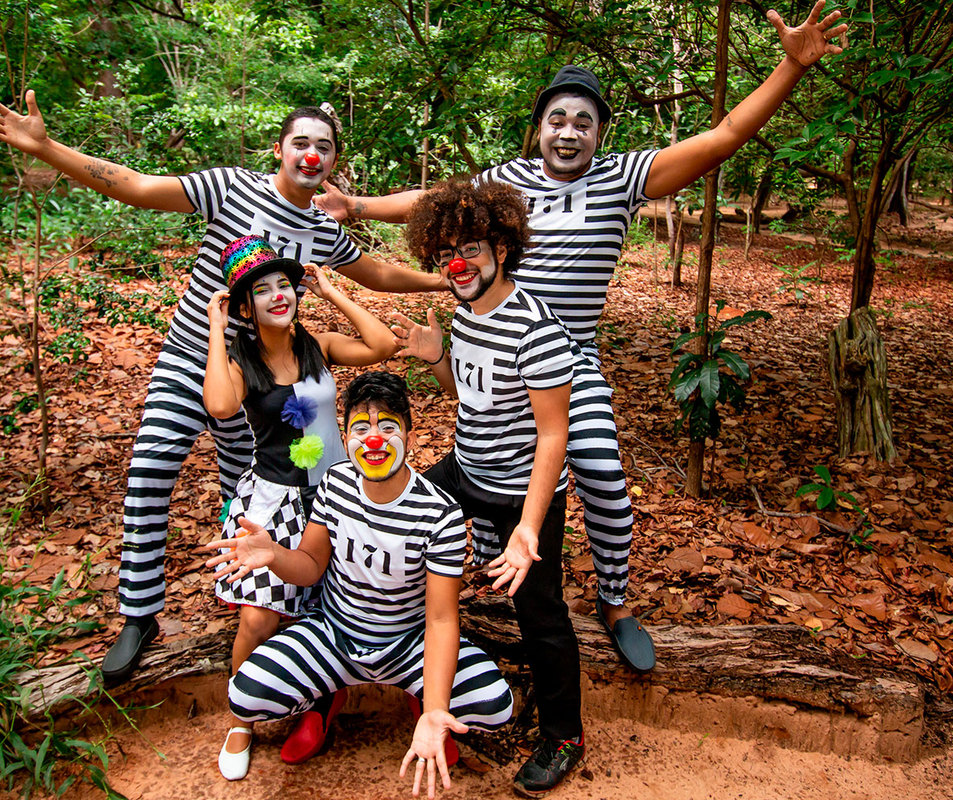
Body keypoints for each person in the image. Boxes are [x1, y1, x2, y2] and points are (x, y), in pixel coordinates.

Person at [316, 1, 849, 672]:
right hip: (493, 349)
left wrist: (791, 65)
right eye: (557, 119)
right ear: (539, 127)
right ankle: (449, 583)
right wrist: (356, 206)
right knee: (475, 472)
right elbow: (433, 202)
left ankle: (616, 601)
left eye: (584, 122)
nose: (569, 133)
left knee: (600, 477)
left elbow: (723, 137)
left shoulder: (623, 179)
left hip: (571, 360)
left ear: (600, 132)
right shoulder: (506, 181)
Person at [0, 95, 445, 686]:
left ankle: (257, 605)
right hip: (194, 355)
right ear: (279, 149)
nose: (311, 154)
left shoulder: (324, 228)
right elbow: (140, 187)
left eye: (324, 147)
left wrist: (441, 280)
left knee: (247, 487)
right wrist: (45, 147)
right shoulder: (233, 187)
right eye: (301, 142)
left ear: (333, 163)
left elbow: (374, 274)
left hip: (264, 380)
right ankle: (139, 614)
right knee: (150, 472)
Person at [205, 371, 513, 796]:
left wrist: (436, 710)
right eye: (360, 429)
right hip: (335, 635)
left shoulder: (440, 514)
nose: (374, 440)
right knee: (245, 695)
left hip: (408, 644)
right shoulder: (335, 483)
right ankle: (327, 697)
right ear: (345, 435)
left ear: (409, 432)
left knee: (494, 704)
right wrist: (274, 554)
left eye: (388, 427)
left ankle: (420, 699)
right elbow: (312, 565)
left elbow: (442, 620)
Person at [391, 178, 587, 797]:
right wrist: (439, 361)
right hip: (466, 468)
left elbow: (554, 436)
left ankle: (564, 733)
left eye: (472, 247)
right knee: (400, 524)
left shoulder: (538, 331)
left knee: (539, 609)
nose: (459, 262)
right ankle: (405, 664)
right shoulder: (465, 313)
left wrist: (528, 527)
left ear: (502, 248)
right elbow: (468, 398)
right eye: (448, 250)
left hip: (522, 489)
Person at [200, 235, 397, 779]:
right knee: (259, 618)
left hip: (335, 494)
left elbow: (382, 345)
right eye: (261, 290)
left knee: (326, 611)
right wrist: (218, 331)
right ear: (245, 306)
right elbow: (218, 404)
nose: (277, 295)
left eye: (284, 284)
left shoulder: (318, 345)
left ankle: (316, 703)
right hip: (278, 501)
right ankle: (242, 718)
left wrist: (332, 290)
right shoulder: (241, 359)